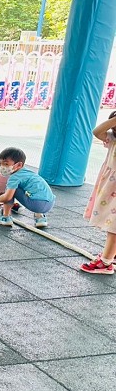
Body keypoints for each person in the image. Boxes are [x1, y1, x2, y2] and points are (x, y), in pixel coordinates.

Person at [81, 111, 116, 274]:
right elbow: (97, 131)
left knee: (114, 225)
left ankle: (106, 262)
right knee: (111, 221)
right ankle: (111, 254)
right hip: (110, 187)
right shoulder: (112, 139)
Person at [0, 147, 55, 228]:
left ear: (19, 165)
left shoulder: (14, 177)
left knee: (11, 189)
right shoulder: (28, 172)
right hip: (50, 203)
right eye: (0, 164)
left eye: (6, 164)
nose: (2, 167)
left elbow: (7, 197)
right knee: (35, 191)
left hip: (36, 204)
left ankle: (5, 217)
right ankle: (40, 218)